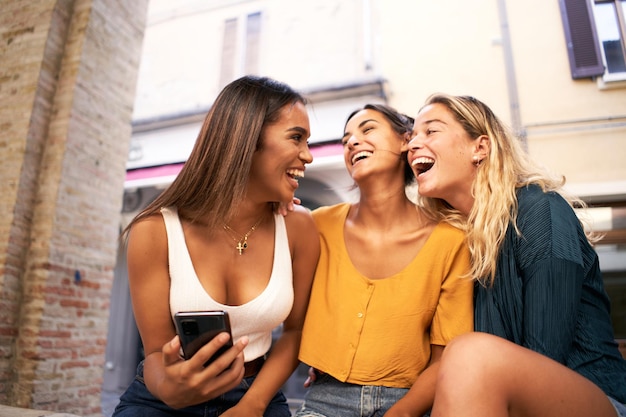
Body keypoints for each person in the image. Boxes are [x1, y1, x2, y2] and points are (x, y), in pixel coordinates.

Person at [405, 93, 626, 417]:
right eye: (411, 137)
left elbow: (545, 355)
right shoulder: (452, 243)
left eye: (430, 131)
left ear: (480, 148)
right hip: (498, 400)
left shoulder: (541, 211)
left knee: (469, 354)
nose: (413, 145)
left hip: (598, 398)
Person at [112, 75, 320, 417]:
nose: (308, 156)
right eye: (296, 138)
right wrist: (171, 389)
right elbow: (154, 353)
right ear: (247, 139)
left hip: (259, 396)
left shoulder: (299, 226)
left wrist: (252, 406)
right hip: (162, 399)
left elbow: (295, 332)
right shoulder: (155, 230)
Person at [294, 104, 474, 417]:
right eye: (347, 138)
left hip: (409, 404)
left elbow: (445, 356)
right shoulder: (315, 225)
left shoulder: (451, 240)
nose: (352, 142)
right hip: (324, 401)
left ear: (406, 140)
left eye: (367, 130)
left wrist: (402, 412)